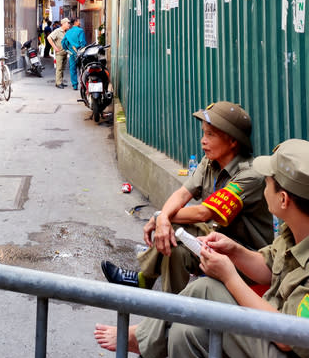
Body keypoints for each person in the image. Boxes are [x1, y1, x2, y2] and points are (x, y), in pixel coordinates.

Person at [94, 139, 309, 358]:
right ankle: (147, 339)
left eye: (269, 182)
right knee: (186, 332)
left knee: (206, 289)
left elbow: (288, 338)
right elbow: (268, 267)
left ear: (284, 199)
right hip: (292, 344)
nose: (264, 185)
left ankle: (144, 339)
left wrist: (229, 275)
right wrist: (234, 252)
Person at [101, 102, 273, 293]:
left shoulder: (249, 175)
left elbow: (203, 213)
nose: (202, 140)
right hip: (214, 243)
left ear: (233, 141)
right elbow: (182, 193)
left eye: (210, 134)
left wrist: (159, 217)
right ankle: (166, 311)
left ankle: (145, 281)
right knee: (175, 250)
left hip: (246, 259)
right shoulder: (210, 162)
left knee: (174, 227)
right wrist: (163, 218)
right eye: (203, 133)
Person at [61, 17, 87, 90]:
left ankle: (75, 85)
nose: (80, 22)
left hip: (72, 54)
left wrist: (70, 52)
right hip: (80, 53)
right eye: (79, 21)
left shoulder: (68, 32)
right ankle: (83, 85)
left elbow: (63, 44)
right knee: (81, 69)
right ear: (75, 22)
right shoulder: (80, 31)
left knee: (73, 69)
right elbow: (83, 43)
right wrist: (82, 51)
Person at [47, 18, 71, 88]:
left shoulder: (67, 32)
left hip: (65, 52)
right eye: (67, 23)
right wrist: (54, 47)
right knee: (59, 68)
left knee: (63, 68)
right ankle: (58, 83)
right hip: (59, 53)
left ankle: (61, 81)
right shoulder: (57, 31)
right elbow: (49, 38)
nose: (69, 24)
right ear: (63, 24)